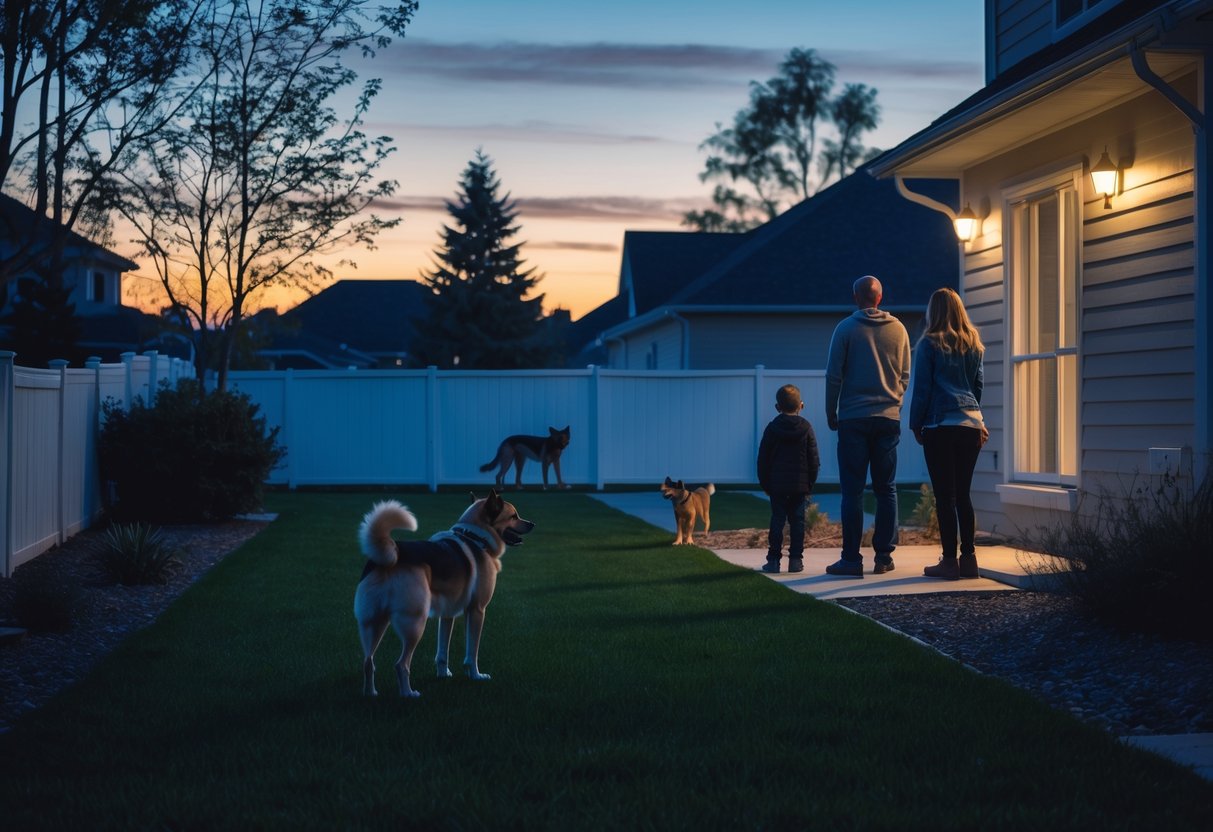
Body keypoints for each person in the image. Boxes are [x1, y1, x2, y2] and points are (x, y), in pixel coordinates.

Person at [823, 275, 911, 578]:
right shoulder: (899, 329)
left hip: (853, 419)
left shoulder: (846, 329)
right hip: (887, 418)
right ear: (880, 297)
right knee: (886, 489)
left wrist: (830, 410)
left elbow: (834, 375)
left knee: (853, 491)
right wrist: (894, 402)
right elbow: (905, 374)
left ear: (855, 297)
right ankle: (884, 557)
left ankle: (851, 559)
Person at [909, 287, 989, 580]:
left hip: (940, 425)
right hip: (970, 425)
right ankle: (969, 560)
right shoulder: (974, 345)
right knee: (963, 495)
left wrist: (915, 424)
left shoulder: (929, 344)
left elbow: (923, 390)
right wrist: (978, 420)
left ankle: (948, 562)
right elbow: (977, 387)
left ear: (935, 311)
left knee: (945, 496)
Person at [756, 384, 821, 574]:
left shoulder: (772, 428)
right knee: (797, 522)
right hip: (799, 486)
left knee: (777, 520)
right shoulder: (806, 428)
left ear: (777, 407)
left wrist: (765, 483)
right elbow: (813, 460)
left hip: (777, 485)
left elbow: (763, 459)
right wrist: (810, 483)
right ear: (801, 405)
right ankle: (795, 561)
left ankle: (774, 560)